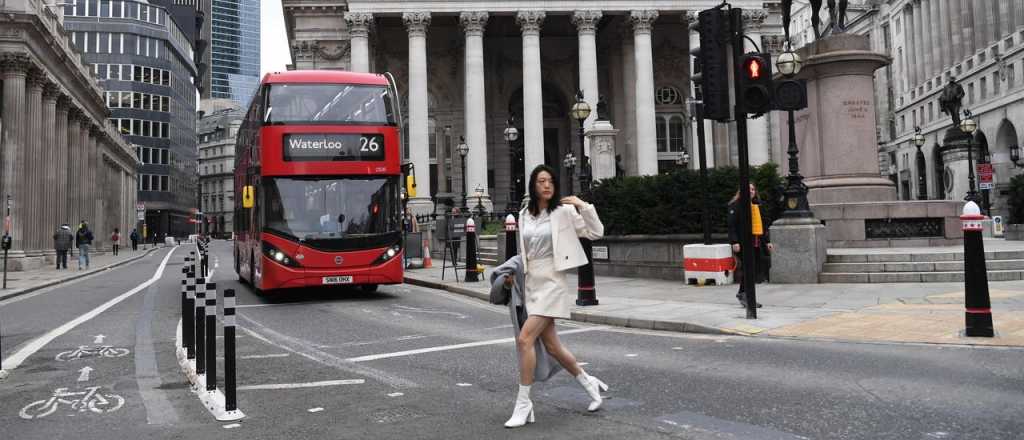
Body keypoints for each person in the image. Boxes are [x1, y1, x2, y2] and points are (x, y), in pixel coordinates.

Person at [498, 164, 607, 429]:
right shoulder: (524, 214)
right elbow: (525, 253)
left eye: (550, 181)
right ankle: (589, 383)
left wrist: (582, 205)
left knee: (525, 339)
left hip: (553, 283)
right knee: (553, 347)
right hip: (532, 283)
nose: (547, 185)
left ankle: (523, 404)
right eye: (541, 181)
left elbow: (596, 232)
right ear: (533, 186)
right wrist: (513, 274)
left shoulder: (564, 212)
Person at [727, 184, 774, 309]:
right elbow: (731, 225)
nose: (751, 191)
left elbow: (762, 225)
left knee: (755, 270)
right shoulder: (736, 205)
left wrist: (767, 241)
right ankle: (745, 295)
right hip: (743, 243)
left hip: (756, 242)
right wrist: (734, 242)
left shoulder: (756, 205)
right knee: (748, 269)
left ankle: (747, 295)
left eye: (753, 189)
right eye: (749, 189)